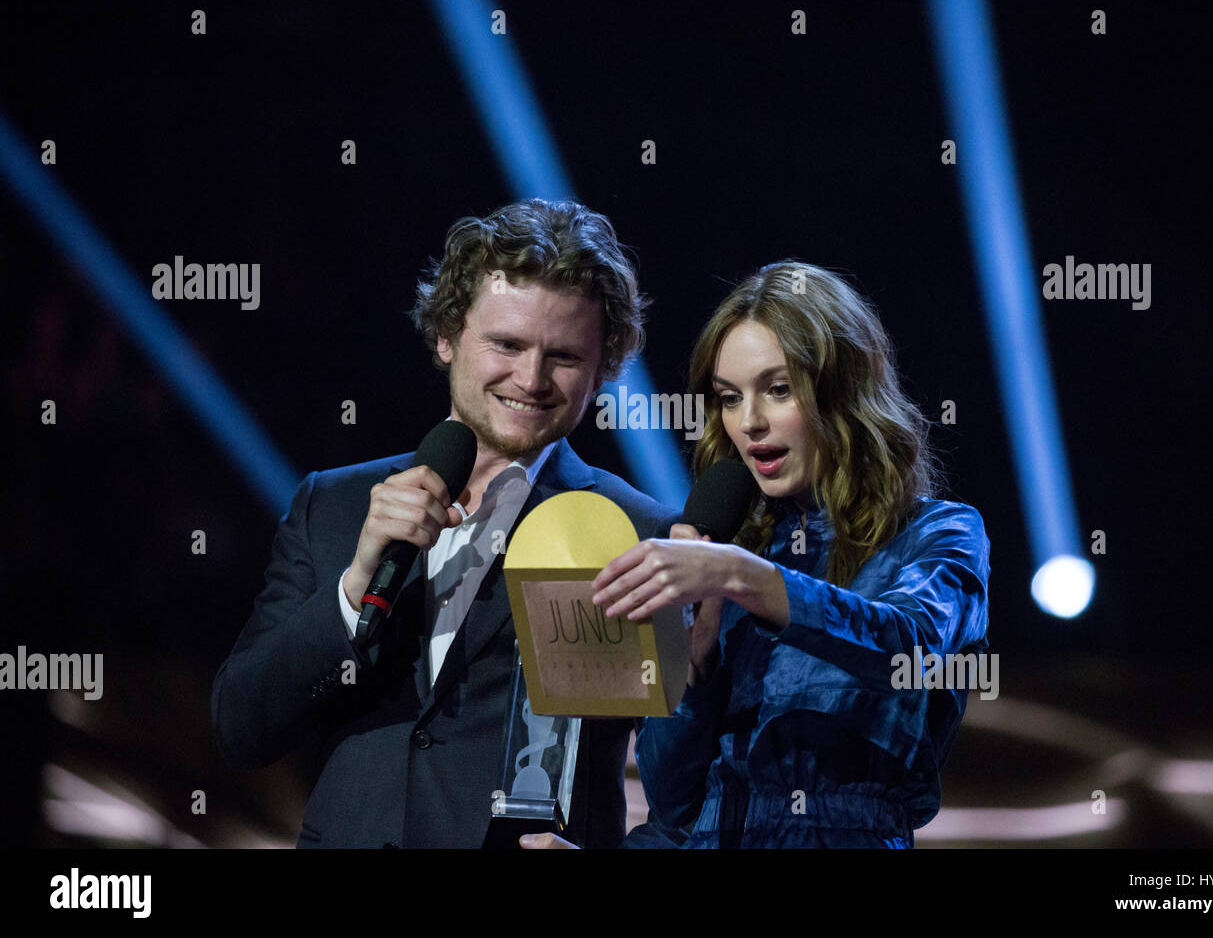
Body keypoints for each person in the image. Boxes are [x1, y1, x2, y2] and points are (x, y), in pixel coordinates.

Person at [210, 199, 674, 848]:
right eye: (507, 344)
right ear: (447, 336)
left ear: (604, 368)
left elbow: (681, 778)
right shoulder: (336, 504)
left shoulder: (636, 531)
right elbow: (242, 728)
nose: (532, 378)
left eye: (564, 356)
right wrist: (354, 587)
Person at [592, 261, 991, 847]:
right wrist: (692, 666)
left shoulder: (936, 533)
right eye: (730, 398)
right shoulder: (728, 553)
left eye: (778, 390)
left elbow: (910, 647)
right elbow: (674, 803)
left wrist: (743, 576)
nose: (749, 422)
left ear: (843, 388)